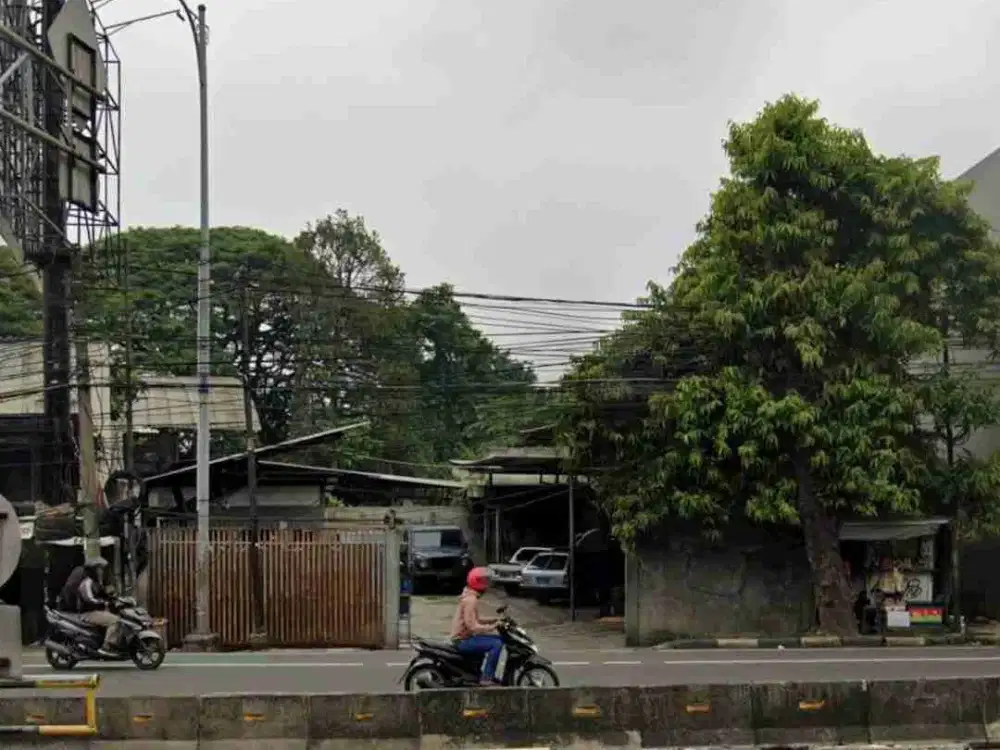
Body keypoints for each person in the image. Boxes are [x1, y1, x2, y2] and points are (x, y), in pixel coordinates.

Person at [450, 566, 502, 686]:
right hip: (462, 640)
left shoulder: (470, 597)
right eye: (484, 581)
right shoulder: (471, 600)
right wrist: (492, 627)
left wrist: (494, 620)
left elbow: (476, 619)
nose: (487, 584)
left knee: (498, 639)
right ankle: (487, 677)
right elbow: (472, 626)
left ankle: (480, 672)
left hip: (465, 637)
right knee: (496, 644)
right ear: (477, 582)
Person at [75, 557, 122, 657]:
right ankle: (106, 647)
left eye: (101, 569)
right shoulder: (87, 583)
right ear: (92, 570)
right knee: (115, 621)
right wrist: (104, 603)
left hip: (96, 611)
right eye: (98, 569)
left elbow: (105, 595)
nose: (101, 571)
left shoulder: (97, 582)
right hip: (88, 613)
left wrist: (114, 598)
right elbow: (89, 600)